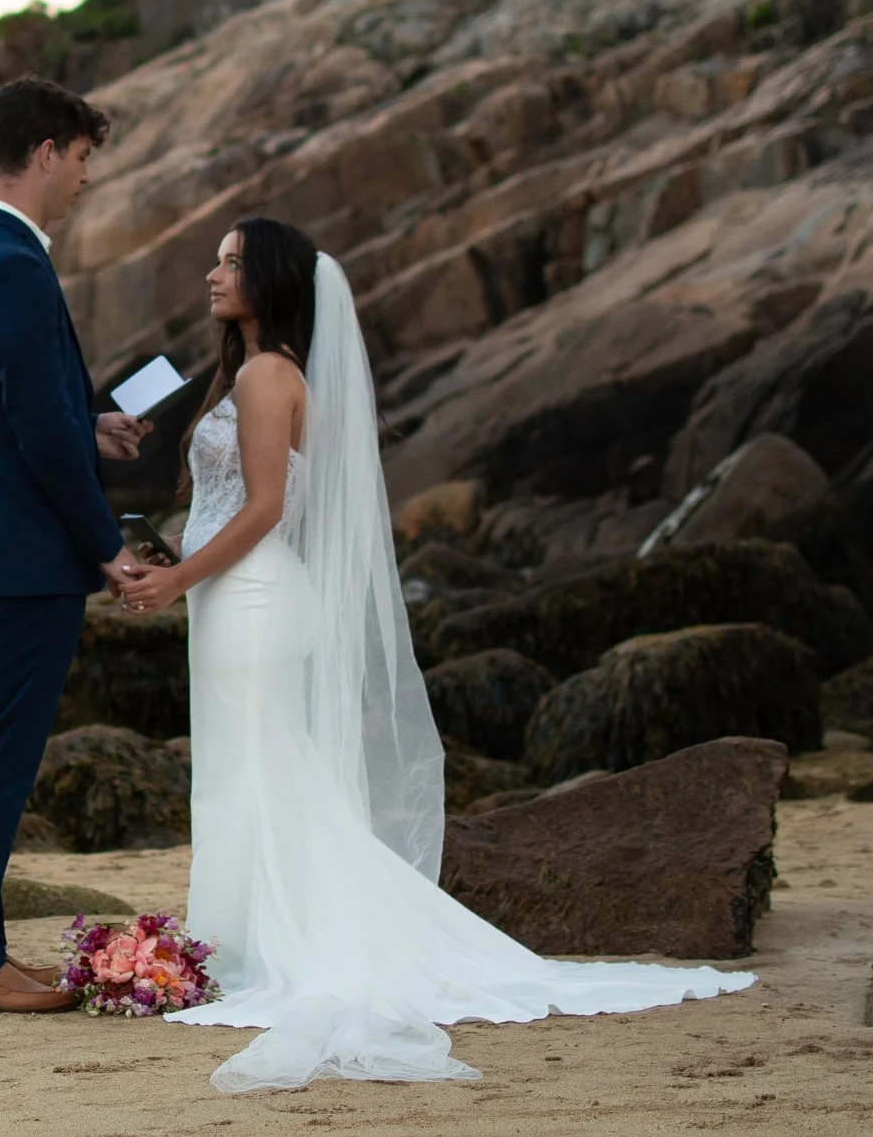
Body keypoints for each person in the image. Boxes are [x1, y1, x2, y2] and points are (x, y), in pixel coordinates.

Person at [112, 218, 755, 1089]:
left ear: (269, 279)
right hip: (235, 597)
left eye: (230, 262)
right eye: (214, 260)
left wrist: (180, 576)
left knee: (262, 769)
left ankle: (267, 947)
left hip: (255, 598)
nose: (211, 275)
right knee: (244, 769)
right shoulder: (250, 373)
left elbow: (266, 509)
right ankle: (239, 941)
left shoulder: (269, 374)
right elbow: (237, 504)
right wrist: (172, 562)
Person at [0, 75, 151, 1015]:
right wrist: (104, 546)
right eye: (83, 158)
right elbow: (33, 433)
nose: (85, 178)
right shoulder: (11, 260)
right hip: (16, 554)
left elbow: (14, 411)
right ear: (47, 151)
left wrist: (87, 425)